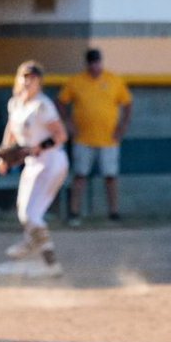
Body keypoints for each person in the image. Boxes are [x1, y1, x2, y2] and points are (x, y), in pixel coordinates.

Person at [0, 61, 68, 278]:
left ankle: (48, 262)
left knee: (31, 215)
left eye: (33, 78)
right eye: (24, 76)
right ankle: (32, 247)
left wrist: (38, 147)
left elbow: (61, 135)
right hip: (33, 163)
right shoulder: (15, 103)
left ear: (39, 82)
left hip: (51, 161)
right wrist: (4, 155)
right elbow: (11, 129)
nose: (28, 81)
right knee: (24, 211)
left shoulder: (42, 105)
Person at [58, 48, 133, 225]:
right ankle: (74, 212)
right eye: (92, 63)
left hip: (108, 139)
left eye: (97, 62)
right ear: (87, 64)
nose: (95, 66)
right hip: (83, 138)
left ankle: (113, 212)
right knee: (80, 175)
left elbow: (128, 103)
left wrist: (123, 127)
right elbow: (61, 102)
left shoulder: (113, 80)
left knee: (110, 176)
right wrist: (68, 123)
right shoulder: (76, 81)